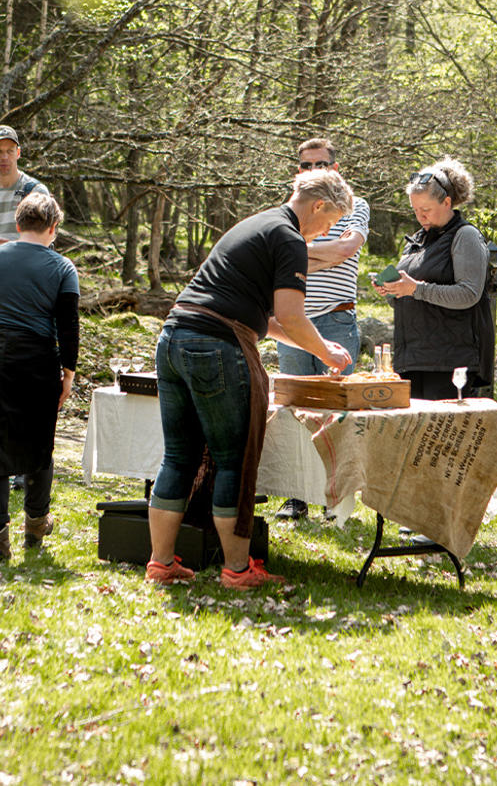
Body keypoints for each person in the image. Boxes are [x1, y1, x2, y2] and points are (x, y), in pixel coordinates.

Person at [147, 169, 354, 590]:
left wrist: (316, 343)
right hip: (215, 344)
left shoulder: (258, 224)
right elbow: (292, 316)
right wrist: (325, 352)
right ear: (318, 205)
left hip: (173, 337)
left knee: (179, 458)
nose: (325, 232)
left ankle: (161, 563)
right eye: (330, 222)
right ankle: (237, 570)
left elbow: (265, 320)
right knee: (233, 460)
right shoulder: (290, 238)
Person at [0, 192, 80, 561]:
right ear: (53, 228)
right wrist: (68, 372)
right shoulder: (63, 267)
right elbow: (68, 325)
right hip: (38, 358)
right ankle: (35, 525)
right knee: (39, 445)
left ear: (18, 224)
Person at [274, 137, 369, 520]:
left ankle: (336, 500)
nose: (314, 171)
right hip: (290, 321)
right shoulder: (291, 211)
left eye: (321, 164)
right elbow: (280, 258)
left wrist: (299, 253)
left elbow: (346, 250)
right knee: (294, 409)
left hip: (336, 318)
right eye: (307, 165)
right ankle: (296, 496)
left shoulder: (354, 205)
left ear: (335, 167)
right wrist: (316, 254)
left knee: (337, 411)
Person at [377, 157, 493, 400]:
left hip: (449, 361)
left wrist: (416, 289)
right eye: (415, 210)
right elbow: (410, 297)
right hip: (411, 359)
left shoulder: (465, 236)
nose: (420, 216)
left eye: (426, 210)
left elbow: (469, 294)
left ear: (447, 202)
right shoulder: (415, 241)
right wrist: (393, 291)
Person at [0, 125, 50, 249]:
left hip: (24, 260)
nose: (4, 157)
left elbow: (45, 239)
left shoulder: (35, 192)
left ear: (18, 153)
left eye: (10, 151)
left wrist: (13, 249)